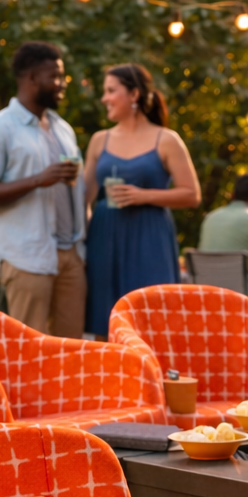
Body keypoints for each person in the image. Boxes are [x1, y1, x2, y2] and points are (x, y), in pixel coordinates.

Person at [0, 41, 87, 337]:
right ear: (32, 79)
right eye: (55, 77)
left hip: (70, 255)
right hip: (27, 256)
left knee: (72, 354)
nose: (62, 84)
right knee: (29, 354)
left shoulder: (63, 129)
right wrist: (37, 180)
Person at [82, 63, 201, 337]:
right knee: (105, 320)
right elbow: (84, 199)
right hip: (104, 238)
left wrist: (143, 195)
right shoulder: (99, 141)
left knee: (152, 321)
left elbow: (192, 194)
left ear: (133, 95)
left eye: (111, 91)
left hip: (150, 240)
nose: (104, 98)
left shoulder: (166, 139)